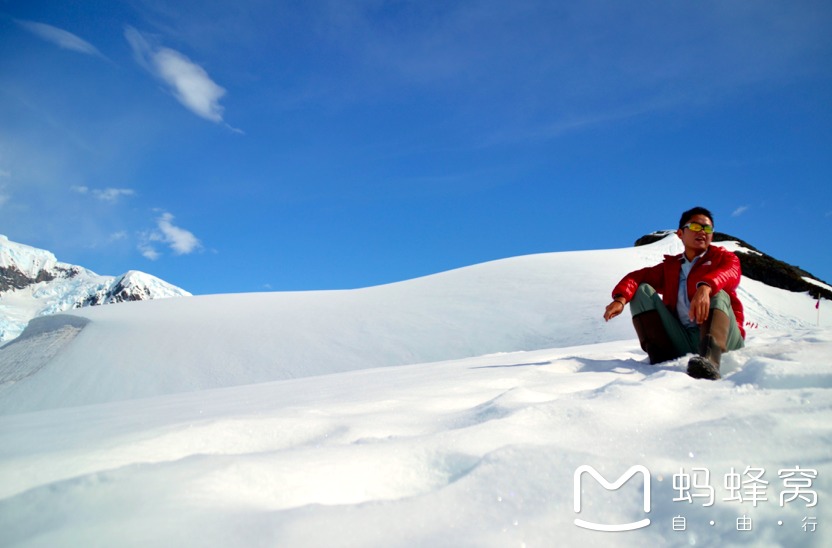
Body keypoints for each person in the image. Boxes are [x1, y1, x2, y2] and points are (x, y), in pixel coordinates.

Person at [603, 206, 745, 380]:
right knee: (641, 291)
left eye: (707, 228)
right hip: (683, 339)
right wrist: (620, 299)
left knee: (718, 293)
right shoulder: (671, 267)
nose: (702, 232)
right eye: (694, 227)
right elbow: (636, 277)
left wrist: (706, 287)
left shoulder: (724, 258)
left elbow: (731, 272)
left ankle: (710, 363)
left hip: (725, 340)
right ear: (680, 234)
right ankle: (661, 359)